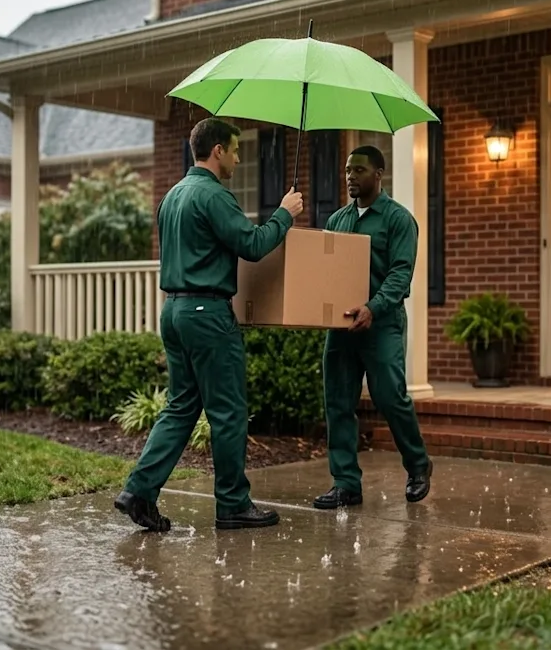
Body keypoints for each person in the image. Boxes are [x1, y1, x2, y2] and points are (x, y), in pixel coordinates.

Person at [114, 116, 304, 532]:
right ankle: (233, 504)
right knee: (229, 411)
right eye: (235, 149)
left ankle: (139, 491)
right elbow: (252, 245)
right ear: (217, 150)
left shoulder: (173, 196)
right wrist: (284, 215)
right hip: (208, 314)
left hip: (174, 312)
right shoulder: (215, 196)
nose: (238, 157)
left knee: (181, 407)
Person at [313, 144, 433, 510]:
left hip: (381, 325)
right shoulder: (337, 221)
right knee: (338, 402)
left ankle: (417, 465)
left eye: (359, 170)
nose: (351, 176)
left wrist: (373, 307)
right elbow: (328, 273)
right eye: (348, 170)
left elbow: (400, 274)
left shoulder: (399, 220)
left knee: (390, 397)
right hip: (342, 327)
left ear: (379, 174)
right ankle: (346, 483)